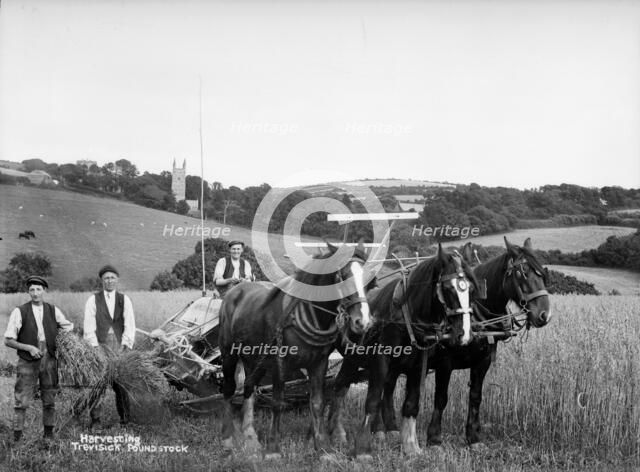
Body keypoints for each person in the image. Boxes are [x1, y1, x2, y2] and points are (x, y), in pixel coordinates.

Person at [4, 275, 74, 442]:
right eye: (32, 290)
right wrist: (28, 347)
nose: (35, 293)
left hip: (49, 358)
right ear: (28, 292)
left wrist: (59, 340)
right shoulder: (19, 311)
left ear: (44, 290)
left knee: (49, 398)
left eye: (38, 289)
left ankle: (48, 436)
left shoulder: (53, 310)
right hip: (27, 361)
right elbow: (8, 340)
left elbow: (68, 327)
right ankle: (17, 438)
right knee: (21, 401)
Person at [83, 265, 136, 428]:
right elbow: (88, 326)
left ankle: (125, 420)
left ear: (117, 279)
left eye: (112, 277)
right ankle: (96, 421)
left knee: (122, 384)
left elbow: (130, 324)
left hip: (119, 346)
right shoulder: (93, 300)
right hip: (100, 345)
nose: (110, 280)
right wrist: (95, 347)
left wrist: (125, 345)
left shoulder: (124, 299)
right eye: (106, 278)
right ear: (102, 280)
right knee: (97, 384)